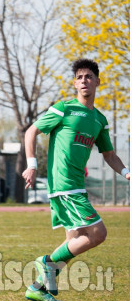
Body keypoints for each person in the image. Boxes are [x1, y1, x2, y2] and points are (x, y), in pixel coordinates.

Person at [22, 58, 130, 301]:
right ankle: (45, 262)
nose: (84, 81)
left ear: (97, 82)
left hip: (75, 186)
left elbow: (110, 155)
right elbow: (32, 131)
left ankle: (36, 288)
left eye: (89, 76)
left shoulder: (100, 120)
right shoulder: (64, 108)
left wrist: (127, 173)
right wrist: (31, 165)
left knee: (73, 243)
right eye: (80, 77)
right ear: (75, 83)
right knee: (98, 234)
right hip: (64, 185)